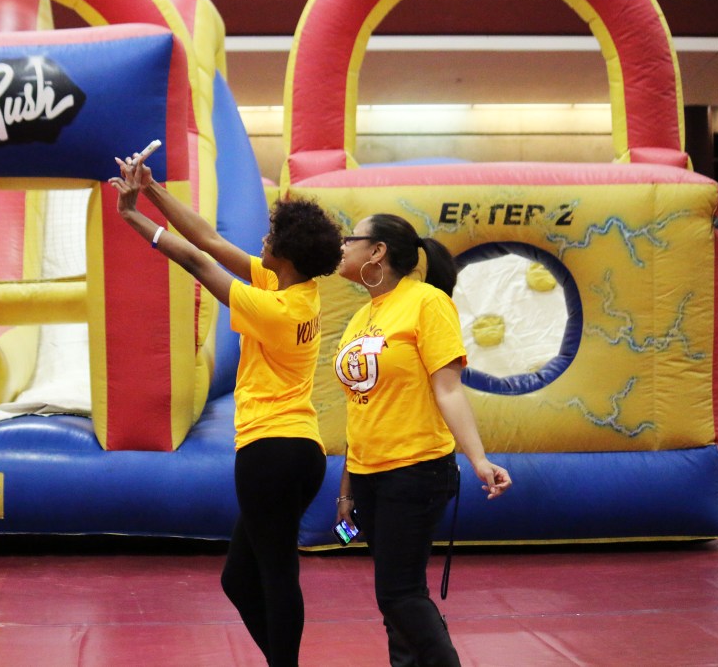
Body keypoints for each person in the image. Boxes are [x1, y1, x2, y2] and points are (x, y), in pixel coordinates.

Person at [108, 145, 343, 667]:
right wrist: (150, 188)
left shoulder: (274, 307)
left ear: (287, 255)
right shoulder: (296, 289)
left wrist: (131, 216)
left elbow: (197, 260)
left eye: (271, 238)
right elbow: (209, 239)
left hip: (270, 452)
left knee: (277, 572)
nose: (263, 241)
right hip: (299, 451)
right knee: (239, 579)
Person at [332, 213, 512, 667]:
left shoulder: (427, 303)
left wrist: (478, 459)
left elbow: (448, 389)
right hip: (369, 475)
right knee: (396, 597)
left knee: (399, 593)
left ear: (377, 252)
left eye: (350, 238)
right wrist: (348, 488)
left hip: (414, 470)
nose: (341, 246)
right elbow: (361, 404)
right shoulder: (361, 315)